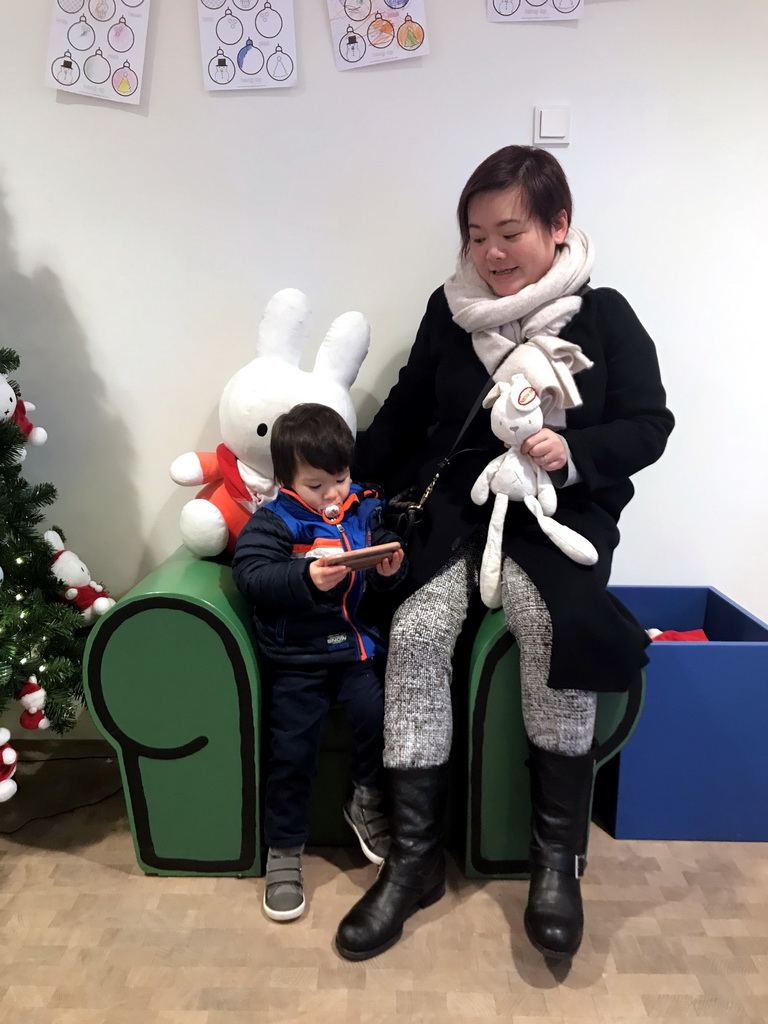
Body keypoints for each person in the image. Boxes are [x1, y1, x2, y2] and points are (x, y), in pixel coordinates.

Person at [334, 145, 674, 962]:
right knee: (416, 632)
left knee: (552, 634)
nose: (491, 252)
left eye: (509, 231)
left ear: (557, 228)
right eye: (476, 234)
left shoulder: (606, 315)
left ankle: (556, 865)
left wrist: (574, 451)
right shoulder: (449, 311)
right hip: (457, 510)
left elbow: (651, 424)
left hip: (556, 515)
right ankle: (413, 863)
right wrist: (337, 478)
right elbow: (410, 409)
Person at [232, 402, 406, 922]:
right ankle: (284, 851)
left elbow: (379, 578)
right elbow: (253, 575)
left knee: (376, 716)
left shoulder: (364, 508)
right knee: (293, 752)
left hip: (355, 650)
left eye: (340, 478)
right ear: (286, 482)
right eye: (316, 485)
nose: (332, 494)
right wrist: (304, 578)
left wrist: (388, 569)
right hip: (297, 658)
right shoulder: (275, 520)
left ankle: (367, 800)